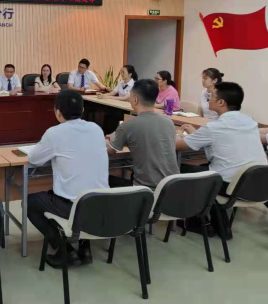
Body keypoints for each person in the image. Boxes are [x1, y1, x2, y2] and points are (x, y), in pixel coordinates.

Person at [27, 90, 109, 268]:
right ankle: (85, 249)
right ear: (83, 110)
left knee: (30, 202)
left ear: (57, 112)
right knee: (81, 188)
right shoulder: (96, 129)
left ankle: (65, 250)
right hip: (101, 204)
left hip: (73, 207)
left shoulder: (54, 133)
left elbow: (33, 159)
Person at [175, 82, 268, 236]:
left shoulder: (214, 128)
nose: (209, 99)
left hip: (232, 186)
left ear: (221, 102)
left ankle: (199, 223)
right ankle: (220, 224)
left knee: (184, 170)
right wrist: (196, 134)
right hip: (260, 184)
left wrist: (175, 135)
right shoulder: (250, 122)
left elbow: (179, 145)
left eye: (212, 96)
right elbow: (225, 139)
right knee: (207, 169)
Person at [106, 79, 179, 188]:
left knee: (108, 180)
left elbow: (110, 150)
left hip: (146, 190)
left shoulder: (128, 125)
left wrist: (110, 138)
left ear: (135, 99)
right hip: (173, 188)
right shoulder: (169, 122)